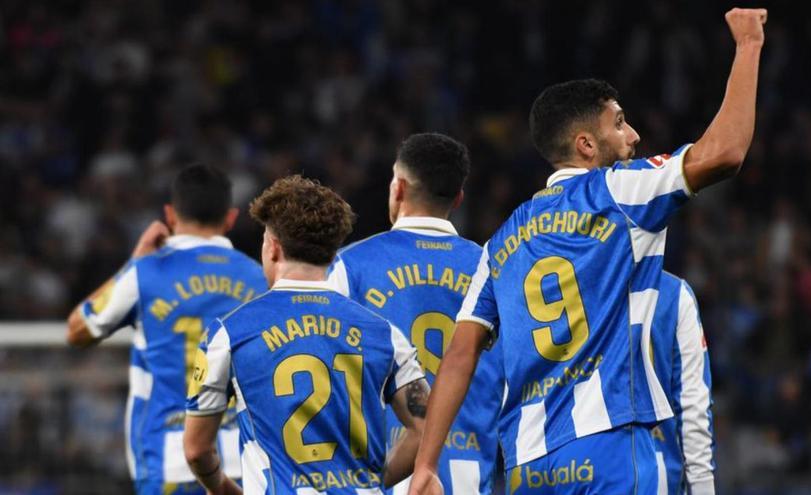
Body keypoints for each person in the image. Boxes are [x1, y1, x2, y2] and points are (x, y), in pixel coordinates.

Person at [408, 8, 767, 495]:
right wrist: (748, 45)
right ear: (586, 145)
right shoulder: (619, 191)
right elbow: (724, 152)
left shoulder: (501, 242)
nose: (634, 136)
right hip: (614, 453)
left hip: (527, 469)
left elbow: (459, 355)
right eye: (620, 123)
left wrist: (426, 465)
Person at [184, 175, 430, 494]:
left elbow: (196, 449)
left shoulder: (228, 334)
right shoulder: (384, 334)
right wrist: (369, 483)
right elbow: (425, 427)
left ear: (272, 247)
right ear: (331, 252)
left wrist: (221, 488)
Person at [66, 164, 267, 495]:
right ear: (230, 219)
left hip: (166, 462)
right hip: (240, 463)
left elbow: (77, 330)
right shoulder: (259, 279)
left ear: (171, 215)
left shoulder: (146, 273)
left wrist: (135, 260)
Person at [328, 133, 503, 495]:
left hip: (383, 473)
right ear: (458, 198)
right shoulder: (494, 268)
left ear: (398, 188)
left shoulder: (350, 266)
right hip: (470, 471)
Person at [650, 272, 715, 495]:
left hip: (578, 472)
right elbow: (693, 407)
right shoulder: (674, 294)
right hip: (657, 475)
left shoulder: (581, 285)